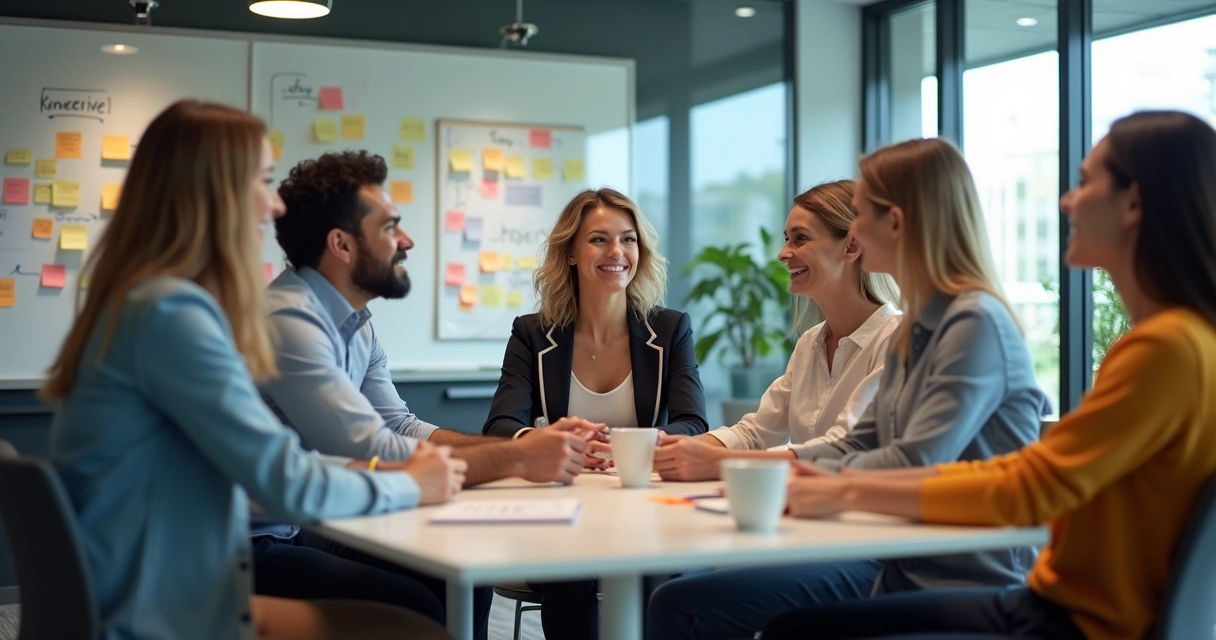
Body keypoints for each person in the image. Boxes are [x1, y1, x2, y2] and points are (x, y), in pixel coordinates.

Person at [765, 110, 1216, 640]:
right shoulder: (1174, 342)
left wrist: (847, 490)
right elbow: (1024, 471)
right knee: (797, 627)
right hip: (1047, 604)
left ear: (1133, 203)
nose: (1067, 200)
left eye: (1086, 181)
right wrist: (845, 483)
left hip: (1077, 623)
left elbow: (1029, 487)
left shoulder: (1167, 349)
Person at [42, 100, 461, 640]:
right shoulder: (172, 315)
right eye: (263, 180)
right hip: (164, 611)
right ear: (216, 193)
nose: (275, 205)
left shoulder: (139, 301)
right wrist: (411, 484)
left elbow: (272, 469)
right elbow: (288, 483)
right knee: (417, 626)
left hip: (152, 588)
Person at [649, 138, 1049, 640]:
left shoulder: (974, 323)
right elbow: (860, 443)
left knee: (691, 607)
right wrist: (771, 469)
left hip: (962, 581)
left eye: (861, 214)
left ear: (897, 223)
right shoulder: (919, 329)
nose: (855, 230)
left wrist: (801, 479)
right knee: (685, 599)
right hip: (904, 564)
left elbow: (914, 462)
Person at [254, 150, 600, 640]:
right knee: (416, 600)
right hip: (247, 544)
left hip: (302, 523)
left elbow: (398, 425)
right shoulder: (290, 322)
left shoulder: (357, 324)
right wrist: (519, 457)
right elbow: (372, 446)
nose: (407, 240)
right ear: (342, 245)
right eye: (391, 226)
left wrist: (520, 451)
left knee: (465, 569)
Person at [483, 187, 709, 639]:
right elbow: (501, 425)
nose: (617, 253)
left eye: (628, 239)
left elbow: (694, 423)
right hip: (560, 509)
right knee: (567, 568)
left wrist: (630, 447)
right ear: (570, 252)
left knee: (656, 574)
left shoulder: (669, 329)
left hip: (643, 505)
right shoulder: (532, 333)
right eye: (599, 240)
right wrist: (553, 444)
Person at [651, 179, 900, 482]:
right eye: (786, 239)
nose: (783, 253)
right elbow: (754, 431)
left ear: (851, 247)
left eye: (800, 239)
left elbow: (844, 444)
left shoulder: (895, 339)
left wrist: (719, 461)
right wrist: (663, 448)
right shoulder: (810, 343)